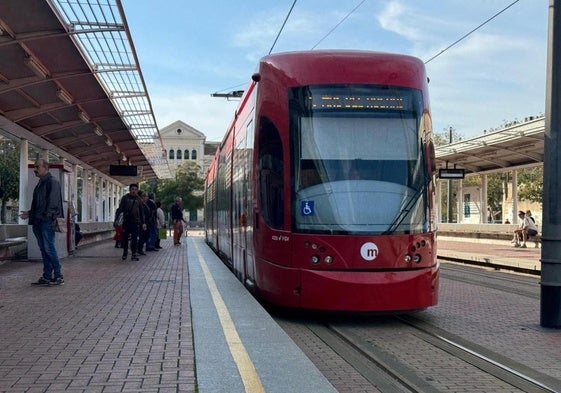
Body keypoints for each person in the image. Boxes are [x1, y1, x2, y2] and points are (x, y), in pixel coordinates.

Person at [19, 159, 64, 286]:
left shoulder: (52, 182)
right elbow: (39, 204)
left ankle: (59, 276)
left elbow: (52, 203)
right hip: (38, 221)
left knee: (49, 248)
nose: (35, 169)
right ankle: (47, 276)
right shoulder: (41, 183)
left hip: (46, 221)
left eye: (37, 167)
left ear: (45, 168)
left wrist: (46, 217)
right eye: (35, 167)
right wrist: (29, 213)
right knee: (44, 249)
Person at [118, 184, 145, 261]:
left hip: (135, 222)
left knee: (134, 238)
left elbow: (141, 211)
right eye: (132, 189)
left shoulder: (138, 199)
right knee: (125, 238)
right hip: (126, 221)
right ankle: (125, 251)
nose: (134, 191)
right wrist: (117, 220)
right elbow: (120, 209)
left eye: (136, 189)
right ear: (130, 190)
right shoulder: (125, 198)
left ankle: (133, 253)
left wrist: (143, 222)